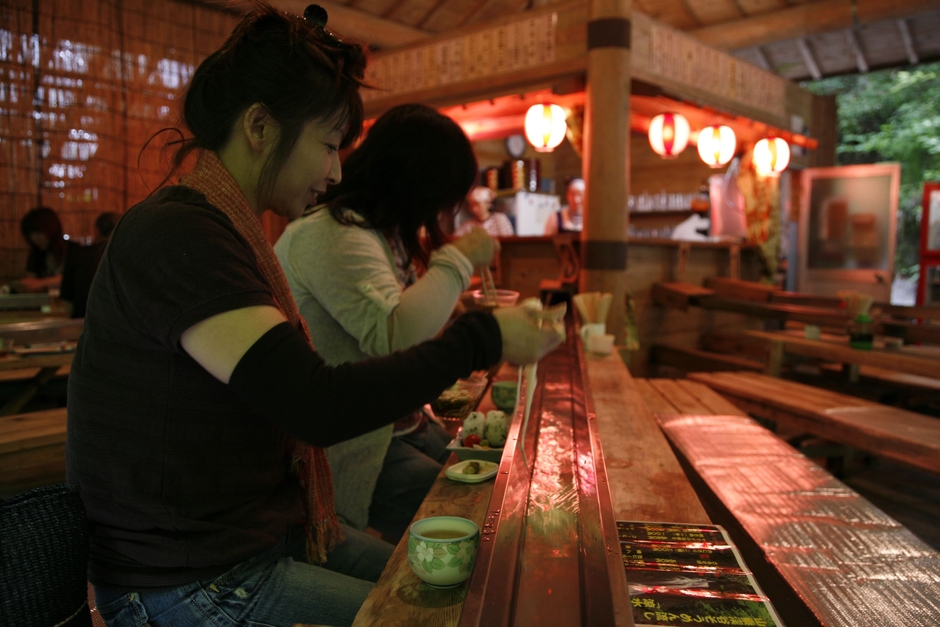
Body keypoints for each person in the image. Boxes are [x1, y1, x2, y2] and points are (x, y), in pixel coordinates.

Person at [65, 5, 562, 627]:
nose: (334, 171)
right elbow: (313, 404)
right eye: (327, 145)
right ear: (259, 127)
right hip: (186, 579)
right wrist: (480, 336)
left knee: (465, 585)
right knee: (443, 617)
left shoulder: (223, 229)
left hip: (258, 540)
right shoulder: (179, 234)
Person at [275, 103, 498, 541]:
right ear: (418, 184)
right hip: (352, 443)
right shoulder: (330, 234)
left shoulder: (379, 233)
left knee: (494, 470)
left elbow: (413, 321)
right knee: (475, 508)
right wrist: (458, 258)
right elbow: (393, 337)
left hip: (399, 423)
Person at [59, 211, 119, 318]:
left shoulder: (77, 254)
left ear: (97, 231)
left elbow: (67, 302)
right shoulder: (128, 257)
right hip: (120, 327)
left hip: (83, 324)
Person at [13, 206, 66, 293]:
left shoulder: (73, 251)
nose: (34, 238)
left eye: (38, 233)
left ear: (52, 229)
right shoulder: (36, 254)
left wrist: (41, 283)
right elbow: (31, 281)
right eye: (30, 234)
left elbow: (75, 279)